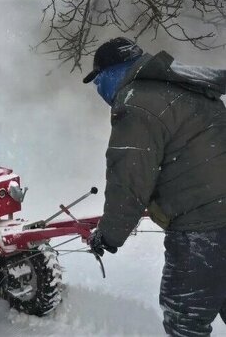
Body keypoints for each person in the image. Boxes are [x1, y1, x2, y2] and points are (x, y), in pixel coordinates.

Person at [84, 37, 226, 336]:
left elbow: (129, 181)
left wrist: (109, 236)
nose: (99, 91)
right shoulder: (184, 86)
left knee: (185, 322)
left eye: (98, 82)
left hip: (201, 234)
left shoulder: (135, 103)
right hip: (218, 214)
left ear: (111, 73)